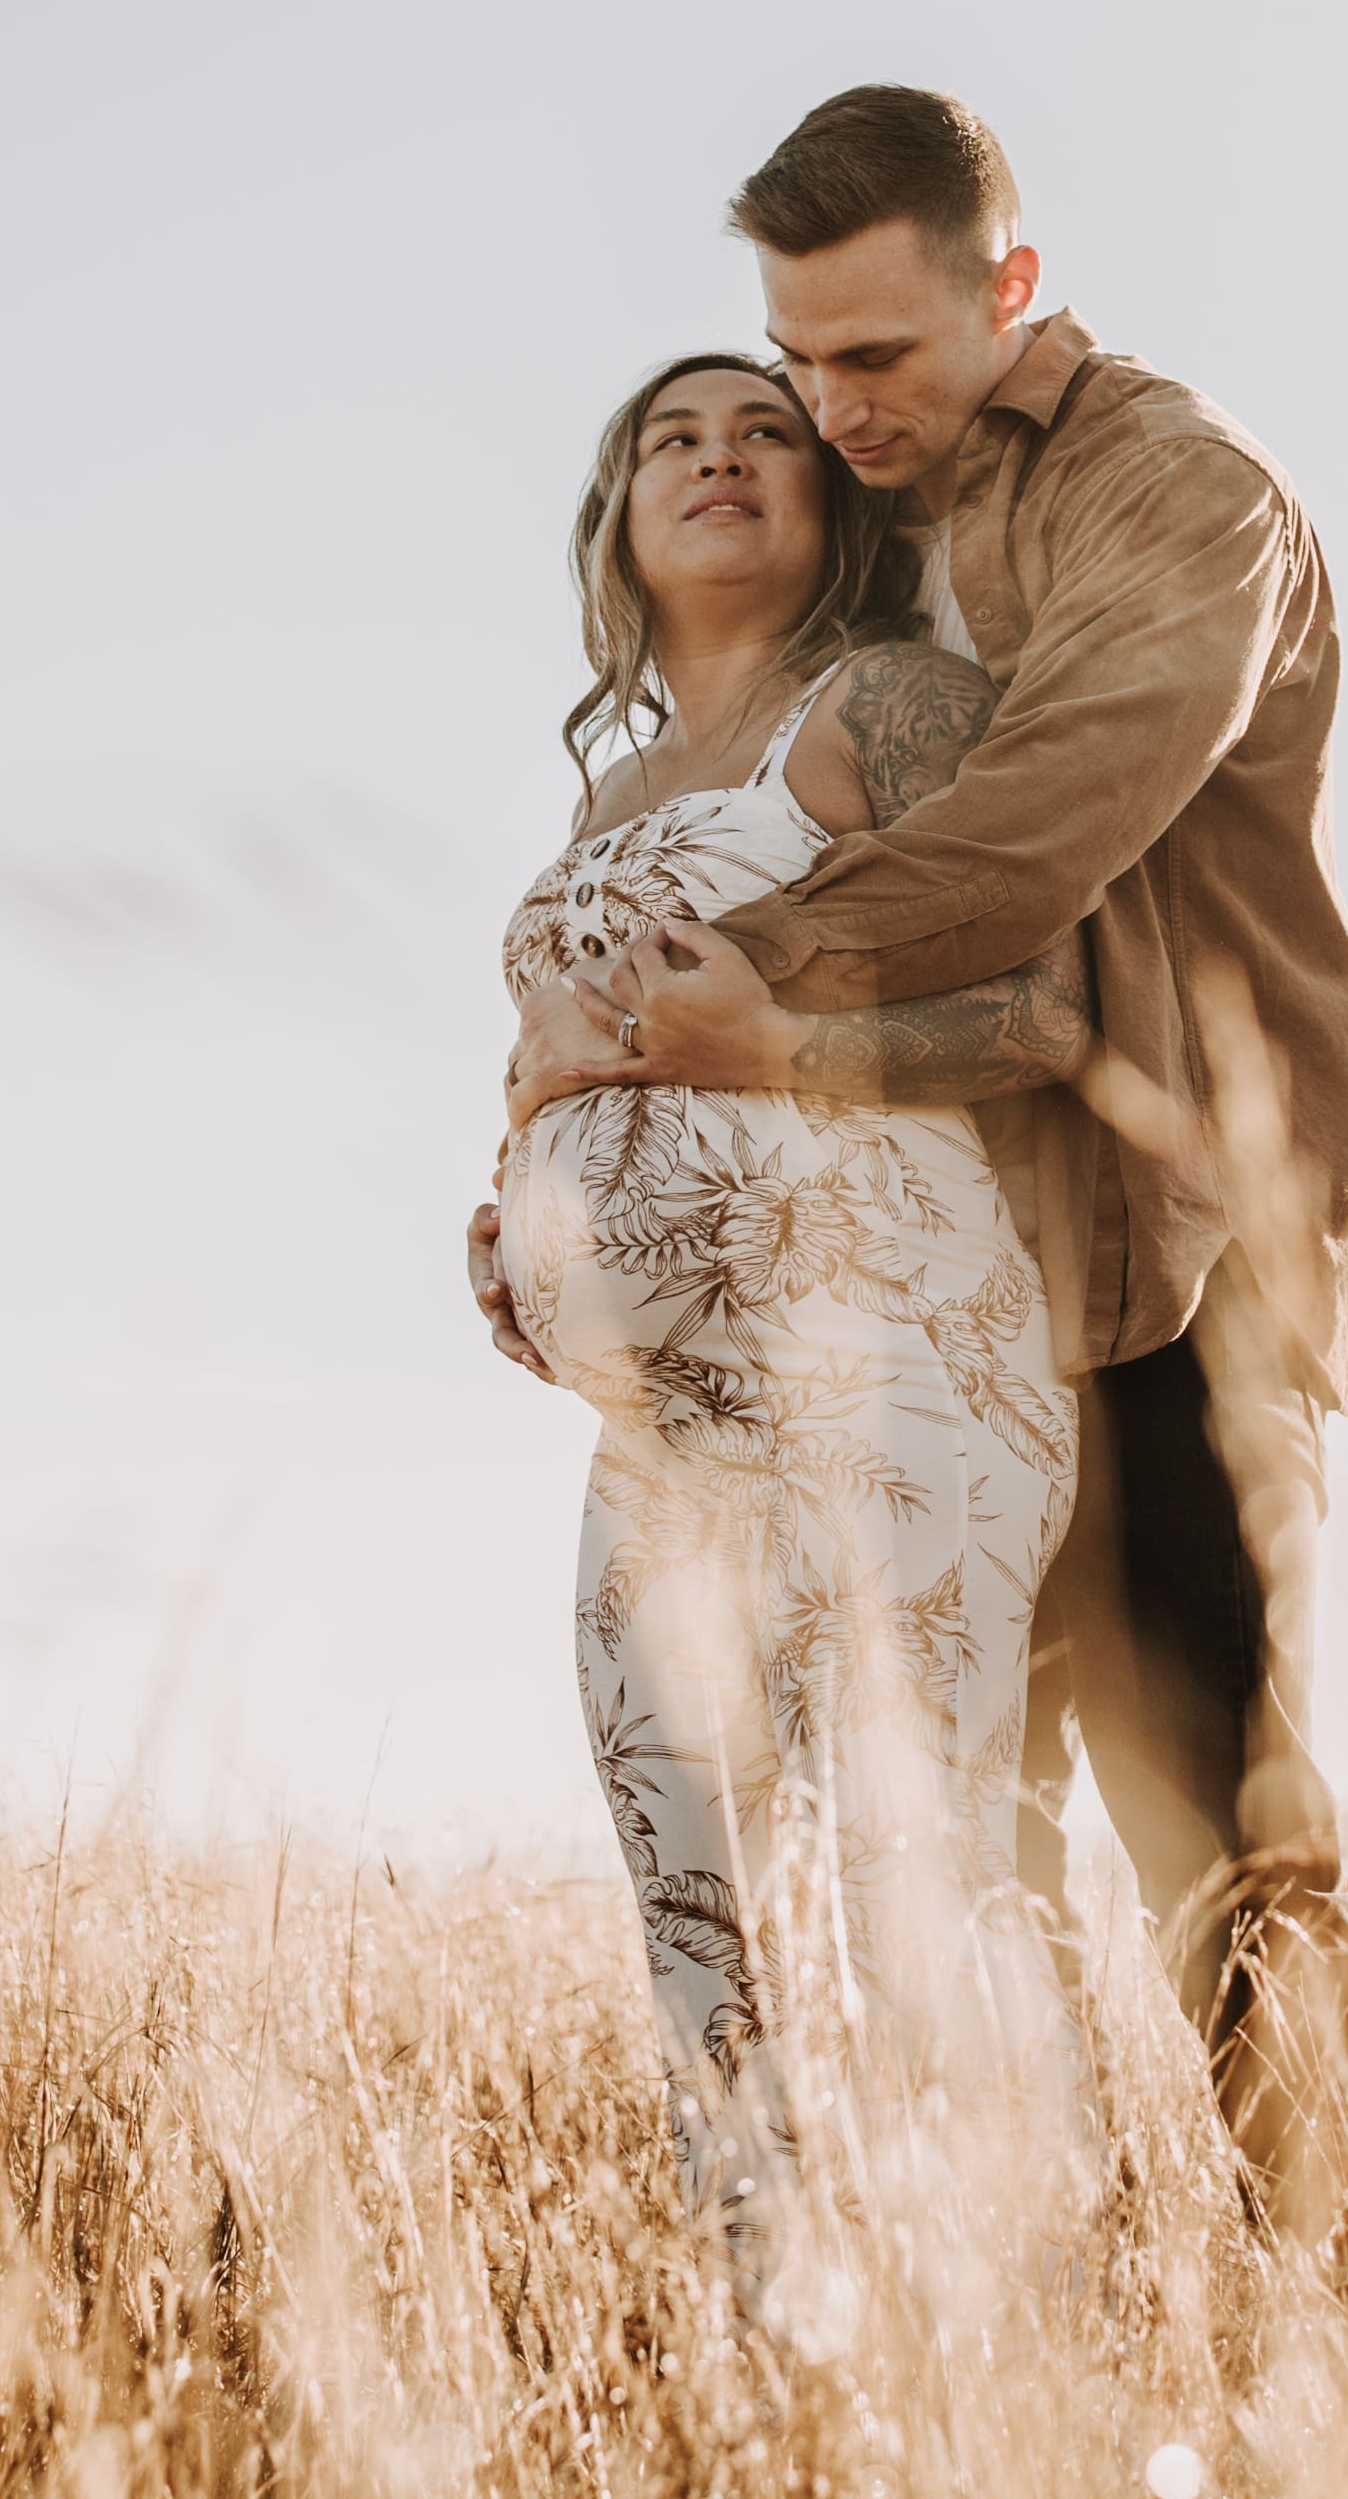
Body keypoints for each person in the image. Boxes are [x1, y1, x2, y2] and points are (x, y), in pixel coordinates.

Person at [492, 87, 1348, 2268]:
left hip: (1183, 1258)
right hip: (936, 1301)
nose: (829, 409)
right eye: (799, 361)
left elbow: (1034, 845)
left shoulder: (1173, 500)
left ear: (1010, 287)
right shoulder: (902, 529)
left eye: (874, 360)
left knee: (1222, 1840)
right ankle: (1056, 2321)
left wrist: (740, 1005)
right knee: (948, 1870)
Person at [472, 348, 1105, 2337]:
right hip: (656, 1444)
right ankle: (790, 2390)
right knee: (703, 1944)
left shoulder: (894, 708)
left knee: (913, 1912)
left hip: (895, 1377)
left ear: (833, 507)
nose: (722, 458)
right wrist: (518, 1223)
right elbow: (567, 1075)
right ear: (620, 519)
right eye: (675, 437)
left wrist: (783, 1055)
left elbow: (1051, 1018)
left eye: (765, 432)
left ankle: (1017, 2366)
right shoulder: (606, 796)